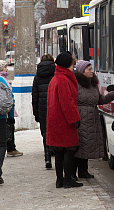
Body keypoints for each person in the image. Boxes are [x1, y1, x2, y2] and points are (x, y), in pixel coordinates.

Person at [72, 60, 114, 179]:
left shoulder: (92, 84)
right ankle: (73, 173)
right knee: (79, 145)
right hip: (81, 118)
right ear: (82, 71)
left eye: (92, 69)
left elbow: (99, 100)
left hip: (92, 118)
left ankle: (83, 171)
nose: (92, 71)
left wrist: (112, 95)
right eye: (89, 69)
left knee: (87, 145)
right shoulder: (76, 84)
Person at [46, 52, 82, 188]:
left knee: (60, 151)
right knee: (69, 150)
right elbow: (67, 102)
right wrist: (75, 119)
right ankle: (67, 179)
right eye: (73, 64)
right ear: (68, 65)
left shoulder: (56, 78)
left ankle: (59, 180)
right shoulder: (63, 79)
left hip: (56, 119)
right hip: (64, 121)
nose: (74, 67)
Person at [0, 60, 23, 157]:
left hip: (3, 108)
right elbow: (7, 94)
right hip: (4, 108)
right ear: (1, 68)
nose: (7, 69)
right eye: (5, 67)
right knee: (7, 129)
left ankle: (11, 148)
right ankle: (9, 149)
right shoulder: (0, 78)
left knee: (7, 129)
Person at [32, 54, 55, 169]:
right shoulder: (56, 74)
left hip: (42, 109)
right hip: (54, 107)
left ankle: (47, 158)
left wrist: (36, 113)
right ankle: (56, 151)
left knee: (45, 133)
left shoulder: (37, 77)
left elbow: (34, 97)